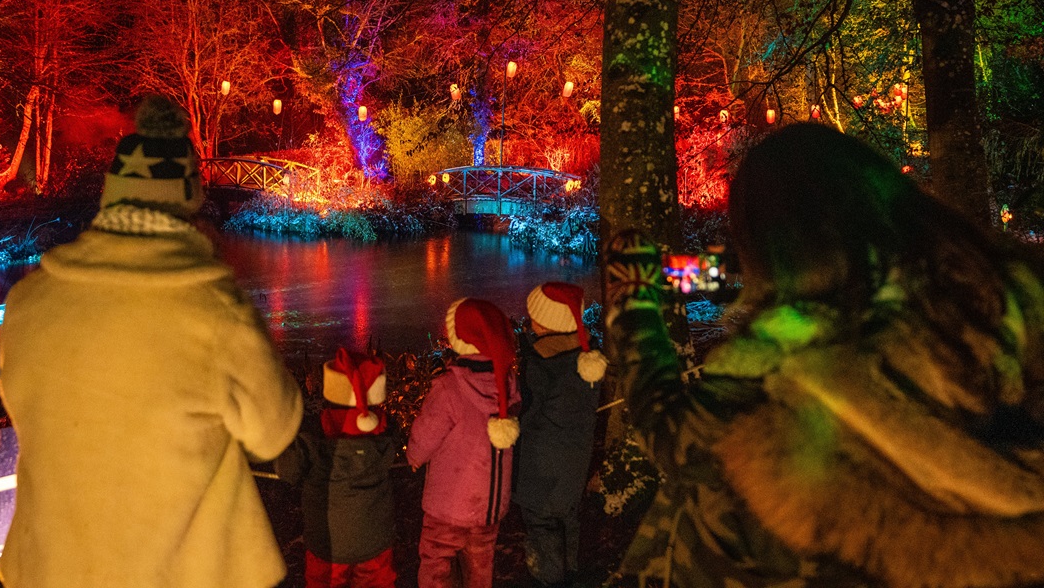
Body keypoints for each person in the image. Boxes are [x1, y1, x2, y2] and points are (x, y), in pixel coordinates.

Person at [607, 123, 1044, 588]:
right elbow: (737, 275)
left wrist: (633, 303)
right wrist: (683, 274)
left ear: (782, 245)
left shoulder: (779, 368)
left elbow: (670, 434)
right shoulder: (991, 303)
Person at [0, 96, 303, 588]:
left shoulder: (27, 301)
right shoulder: (214, 312)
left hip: (50, 567)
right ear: (190, 199)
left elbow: (23, 410)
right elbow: (273, 430)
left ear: (110, 195)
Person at [407, 297, 521, 588]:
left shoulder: (450, 388)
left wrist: (413, 456)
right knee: (480, 564)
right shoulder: (506, 383)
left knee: (437, 560)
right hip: (489, 507)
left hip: (448, 504)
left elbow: (426, 434)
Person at [275, 347, 399, 588]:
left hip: (326, 543)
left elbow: (287, 470)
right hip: (375, 541)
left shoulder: (312, 436)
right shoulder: (385, 434)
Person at [513, 282, 608, 587]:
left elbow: (528, 415)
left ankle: (548, 580)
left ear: (551, 324)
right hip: (573, 462)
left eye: (535, 318)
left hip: (541, 468)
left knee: (542, 527)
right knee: (568, 518)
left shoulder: (545, 365)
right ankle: (571, 572)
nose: (530, 322)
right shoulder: (584, 359)